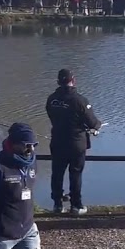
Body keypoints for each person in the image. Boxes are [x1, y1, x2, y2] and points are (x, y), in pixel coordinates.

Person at [45, 69, 102, 215]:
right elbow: (92, 122)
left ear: (58, 82)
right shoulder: (80, 100)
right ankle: (76, 206)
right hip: (76, 144)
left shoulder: (51, 99)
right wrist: (96, 126)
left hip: (57, 142)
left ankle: (57, 205)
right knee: (75, 174)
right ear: (73, 80)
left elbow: (52, 117)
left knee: (57, 174)